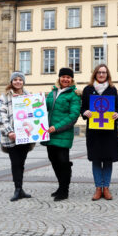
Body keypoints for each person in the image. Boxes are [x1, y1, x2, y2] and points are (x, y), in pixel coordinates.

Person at [81, 64, 118, 201]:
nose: (101, 75)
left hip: (109, 131)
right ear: (95, 74)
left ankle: (107, 188)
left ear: (107, 74)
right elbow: (83, 108)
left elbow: (117, 108)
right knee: (96, 159)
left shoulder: (112, 89)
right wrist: (84, 112)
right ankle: (98, 188)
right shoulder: (88, 89)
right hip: (94, 131)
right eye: (99, 72)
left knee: (108, 159)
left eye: (104, 72)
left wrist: (117, 113)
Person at [41, 67, 81, 201]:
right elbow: (42, 107)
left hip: (62, 133)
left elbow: (73, 116)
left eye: (68, 77)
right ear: (59, 78)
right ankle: (60, 186)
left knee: (63, 162)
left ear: (72, 80)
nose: (65, 79)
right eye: (63, 77)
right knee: (54, 161)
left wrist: (56, 127)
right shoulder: (53, 93)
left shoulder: (73, 95)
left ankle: (65, 190)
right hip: (49, 134)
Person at [0, 71, 34, 202]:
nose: (18, 81)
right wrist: (9, 132)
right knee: (15, 163)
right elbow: (1, 116)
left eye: (20, 79)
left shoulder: (29, 96)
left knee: (21, 163)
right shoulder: (5, 97)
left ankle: (20, 188)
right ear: (11, 82)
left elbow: (34, 115)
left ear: (23, 82)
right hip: (12, 137)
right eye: (15, 79)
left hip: (25, 136)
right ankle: (17, 189)